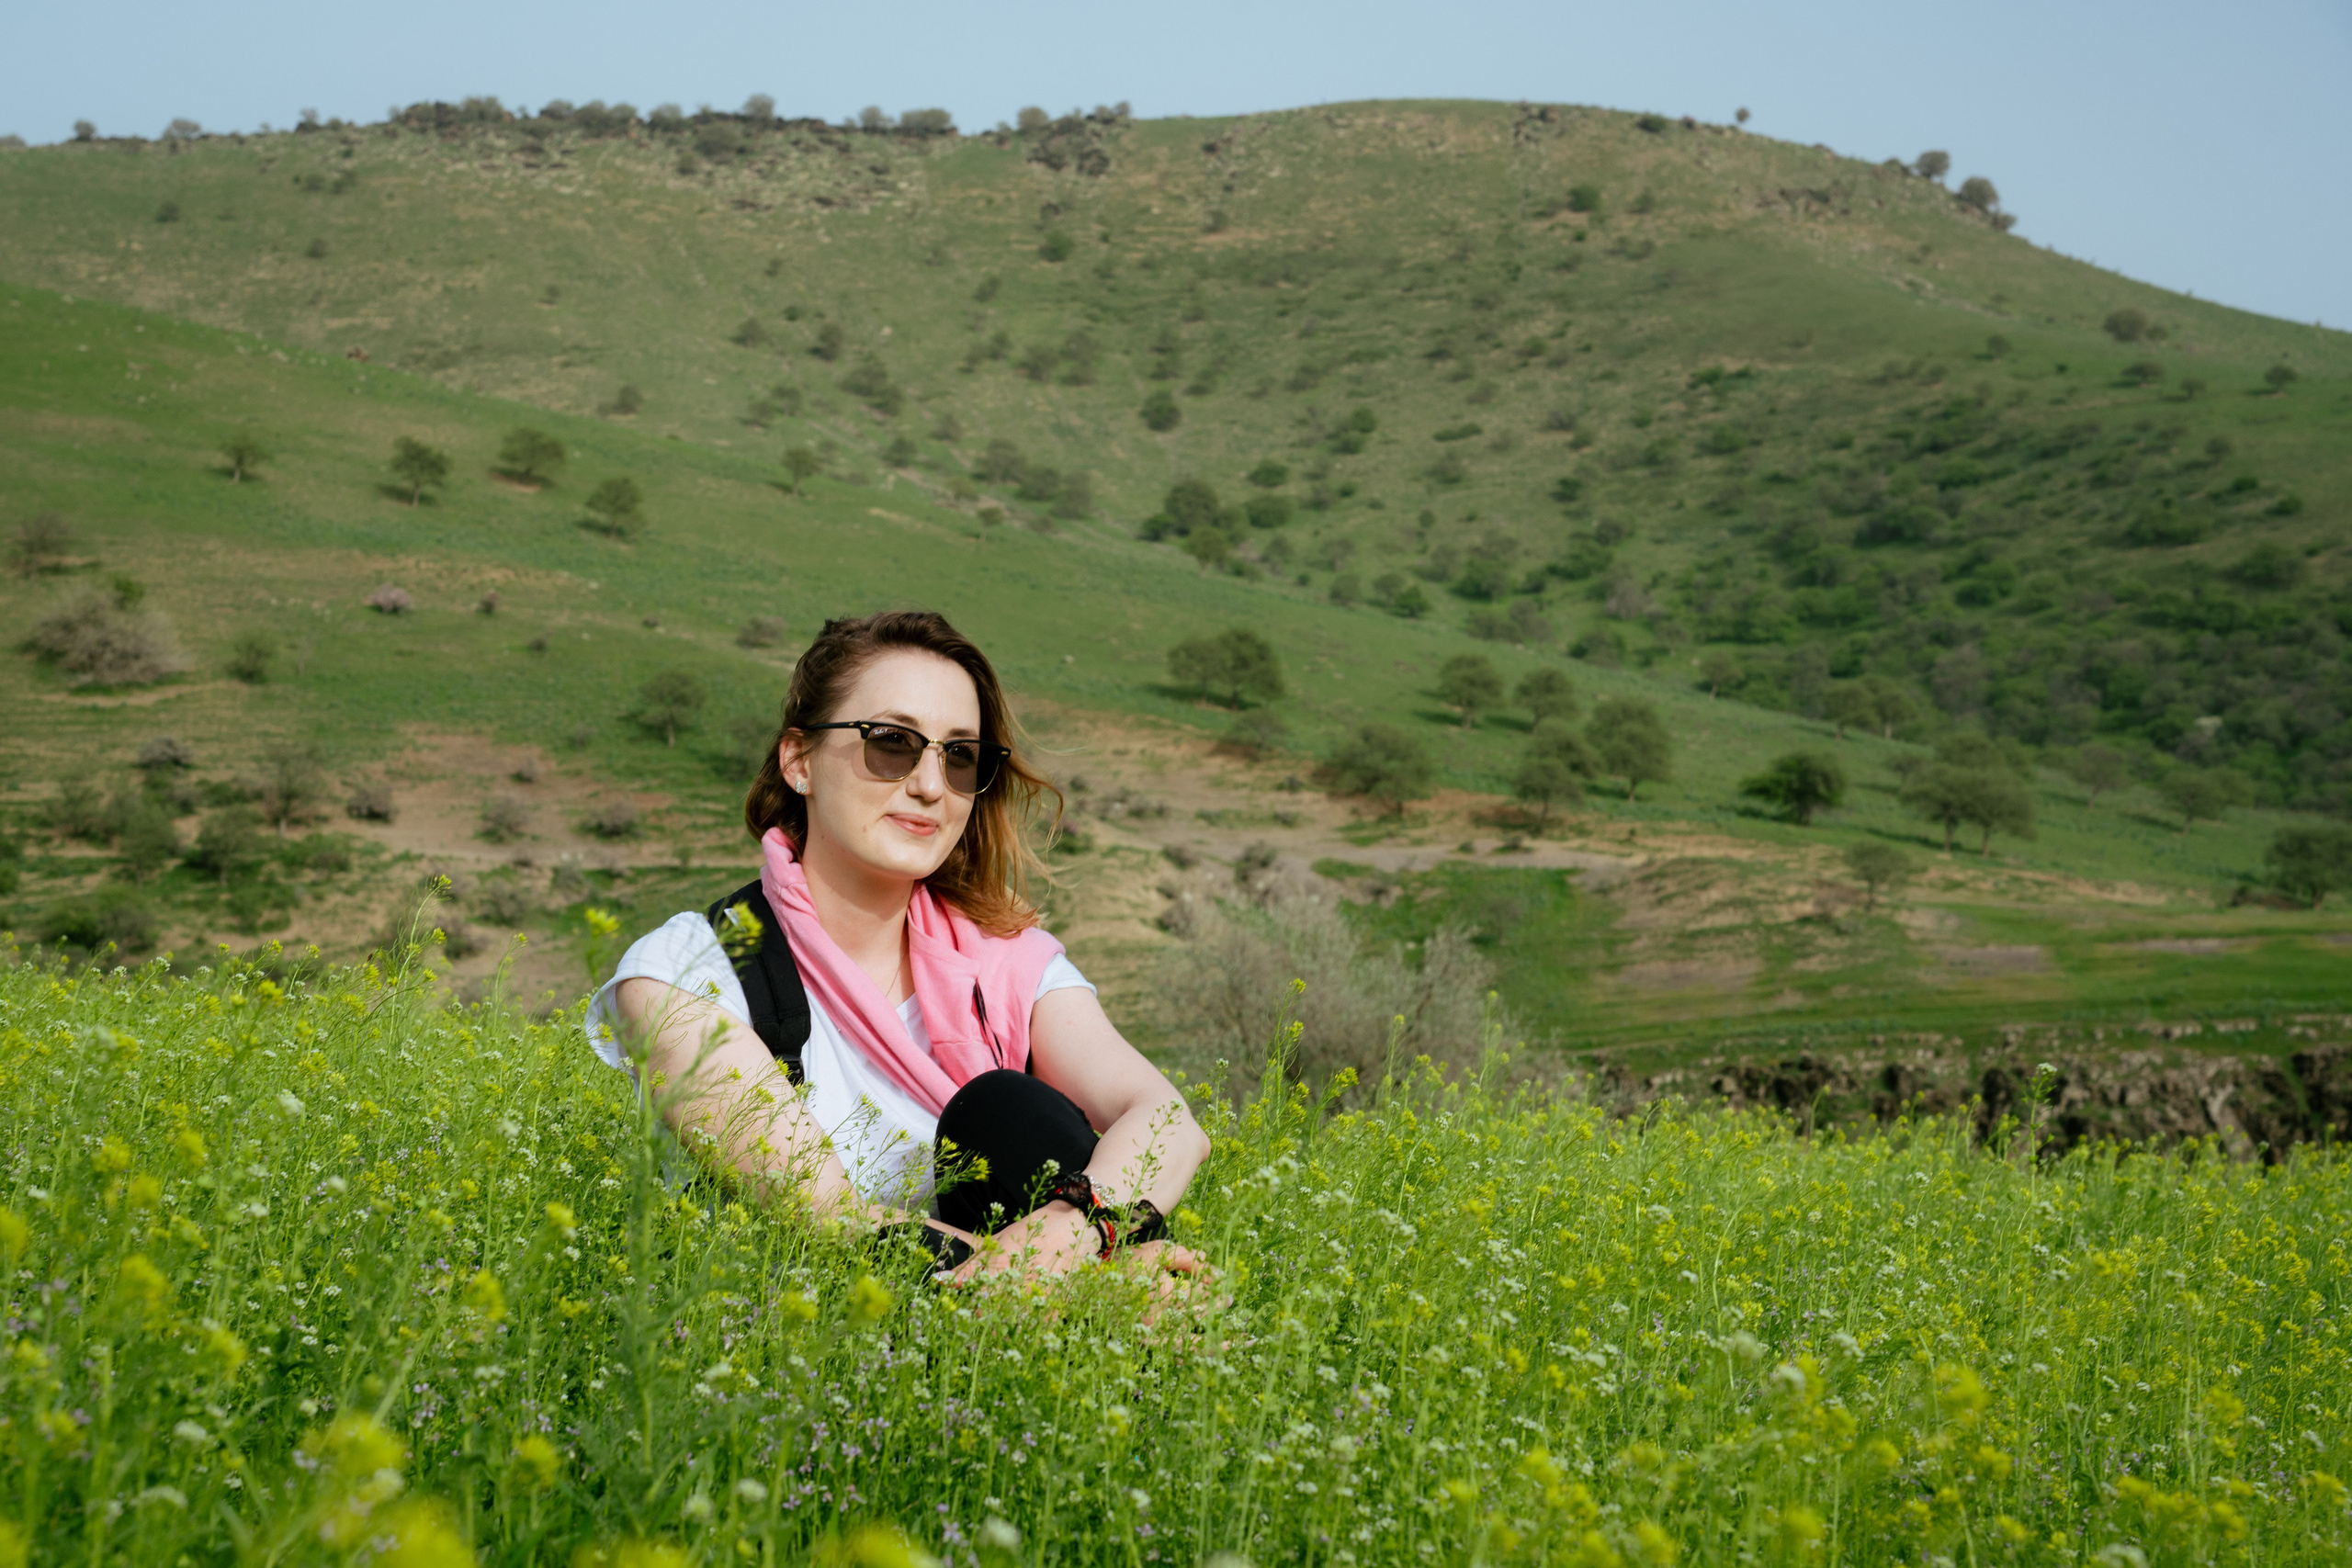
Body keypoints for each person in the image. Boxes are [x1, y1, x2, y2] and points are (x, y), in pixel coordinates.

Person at [586, 610, 1211, 1286]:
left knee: (1004, 1111)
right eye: (891, 741)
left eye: (961, 756)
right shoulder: (686, 977)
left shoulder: (1009, 964)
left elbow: (1166, 1120)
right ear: (799, 760)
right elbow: (831, 1219)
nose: (930, 784)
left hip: (1032, 1336)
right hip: (827, 1332)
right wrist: (1105, 1285)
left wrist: (1080, 1226)